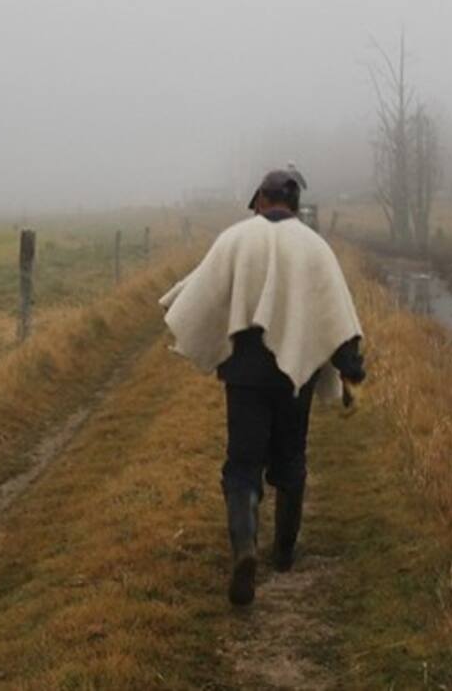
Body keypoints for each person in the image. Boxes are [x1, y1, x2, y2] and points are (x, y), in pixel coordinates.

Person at [159, 168, 365, 606]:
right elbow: (336, 313)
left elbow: (203, 291)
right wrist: (351, 368)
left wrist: (179, 309)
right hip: (298, 375)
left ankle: (245, 548)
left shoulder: (234, 239)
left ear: (261, 199)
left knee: (243, 463)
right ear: (293, 203)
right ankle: (284, 554)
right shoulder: (315, 246)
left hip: (245, 372)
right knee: (291, 458)